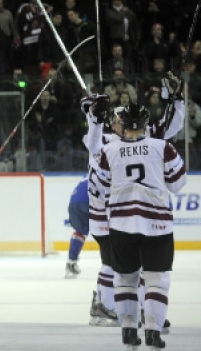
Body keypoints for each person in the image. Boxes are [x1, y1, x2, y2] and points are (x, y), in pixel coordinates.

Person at [96, 103, 186, 351]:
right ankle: (153, 332)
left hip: (121, 224)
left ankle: (128, 330)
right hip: (157, 224)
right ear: (146, 123)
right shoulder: (162, 146)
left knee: (125, 278)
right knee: (157, 279)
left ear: (122, 125)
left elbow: (101, 186)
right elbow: (178, 183)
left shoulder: (108, 150)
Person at [65, 175, 89, 278]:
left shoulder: (88, 173)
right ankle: (113, 264)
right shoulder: (107, 169)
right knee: (108, 228)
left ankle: (71, 263)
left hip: (73, 203)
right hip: (88, 201)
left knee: (80, 231)